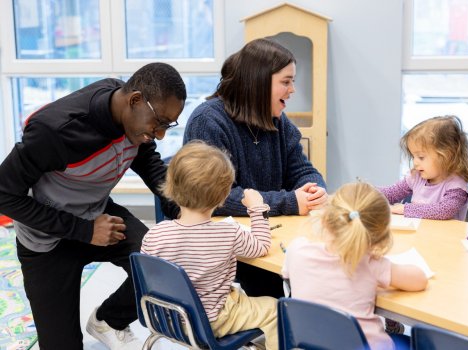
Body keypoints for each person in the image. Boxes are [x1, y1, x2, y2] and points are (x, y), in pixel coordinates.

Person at [0, 62, 186, 350]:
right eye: (159, 122)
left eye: (167, 125)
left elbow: (148, 161)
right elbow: (4, 194)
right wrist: (84, 231)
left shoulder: (132, 118)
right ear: (135, 100)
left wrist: (182, 210)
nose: (160, 134)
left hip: (96, 214)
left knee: (162, 267)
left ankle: (108, 320)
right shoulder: (54, 131)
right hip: (47, 240)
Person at [183, 38, 328, 298]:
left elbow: (303, 170)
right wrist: (290, 202)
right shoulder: (208, 122)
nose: (292, 89)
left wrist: (314, 190)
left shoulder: (278, 122)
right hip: (223, 242)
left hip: (267, 232)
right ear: (258, 83)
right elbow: (215, 198)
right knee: (282, 286)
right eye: (286, 81)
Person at [141, 141, 277, 350]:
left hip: (170, 320)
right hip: (213, 320)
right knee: (276, 310)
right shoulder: (229, 233)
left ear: (171, 185)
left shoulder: (154, 235)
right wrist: (257, 208)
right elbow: (261, 246)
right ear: (223, 196)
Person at [282, 182, 428, 350]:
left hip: (312, 345)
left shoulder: (296, 249)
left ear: (325, 218)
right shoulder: (370, 263)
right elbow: (420, 280)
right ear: (380, 238)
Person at [379, 115, 468, 221]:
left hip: (446, 237)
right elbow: (392, 193)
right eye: (413, 156)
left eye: (421, 157)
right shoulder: (416, 176)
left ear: (446, 155)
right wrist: (368, 192)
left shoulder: (456, 185)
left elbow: (443, 211)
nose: (415, 162)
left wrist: (404, 209)